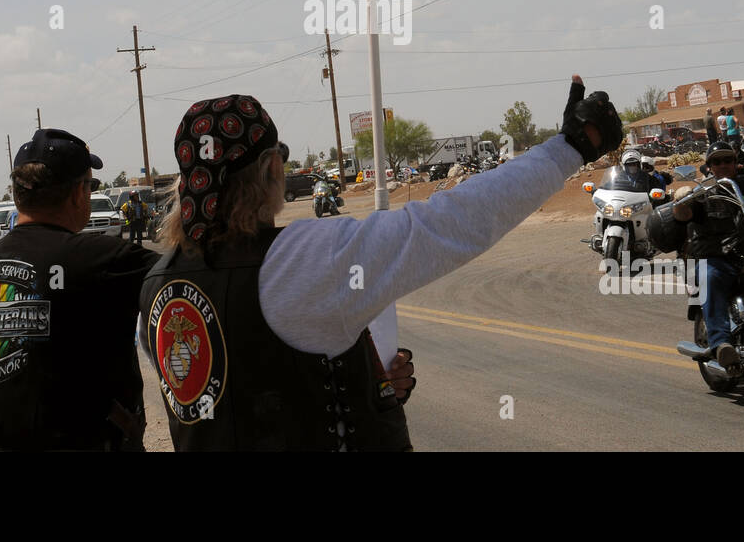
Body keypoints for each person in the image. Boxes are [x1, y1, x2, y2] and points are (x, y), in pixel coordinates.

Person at [138, 77, 622, 450]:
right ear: (270, 170)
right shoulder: (302, 260)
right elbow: (450, 222)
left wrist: (368, 386)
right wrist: (570, 149)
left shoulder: (155, 286)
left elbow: (234, 397)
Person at [0, 128, 159, 452]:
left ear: (18, 194)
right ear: (79, 192)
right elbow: (187, 276)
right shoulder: (103, 257)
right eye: (91, 185)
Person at [670, 140, 744, 372]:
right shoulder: (704, 192)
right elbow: (682, 215)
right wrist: (681, 199)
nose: (723, 165)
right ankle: (721, 343)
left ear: (736, 163)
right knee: (711, 276)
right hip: (717, 257)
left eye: (728, 160)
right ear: (710, 167)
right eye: (717, 161)